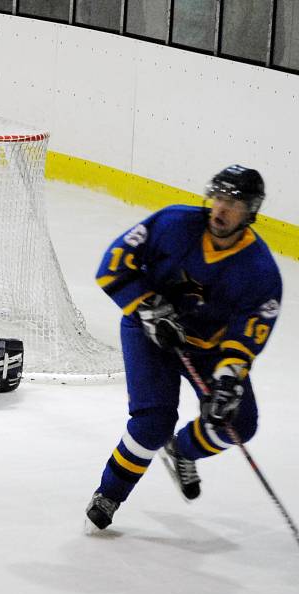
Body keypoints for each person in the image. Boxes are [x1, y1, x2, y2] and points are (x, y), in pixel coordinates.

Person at [85, 165, 282, 531]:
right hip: (150, 335)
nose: (222, 209)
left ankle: (182, 450)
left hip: (209, 350)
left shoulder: (261, 272)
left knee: (238, 421)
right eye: (219, 198)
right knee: (152, 424)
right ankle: (109, 493)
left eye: (234, 203)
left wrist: (227, 381)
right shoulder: (174, 223)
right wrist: (148, 308)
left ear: (251, 211)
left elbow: (246, 337)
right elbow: (112, 267)